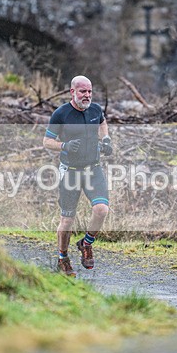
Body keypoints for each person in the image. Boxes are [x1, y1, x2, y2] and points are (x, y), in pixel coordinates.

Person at [43, 75, 113, 277]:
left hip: (93, 169)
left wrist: (106, 139)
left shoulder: (95, 109)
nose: (87, 95)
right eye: (83, 91)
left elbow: (102, 123)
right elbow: (47, 141)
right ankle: (62, 258)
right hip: (71, 173)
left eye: (90, 91)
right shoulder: (61, 114)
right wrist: (64, 145)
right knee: (67, 220)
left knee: (101, 210)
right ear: (72, 92)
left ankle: (86, 243)